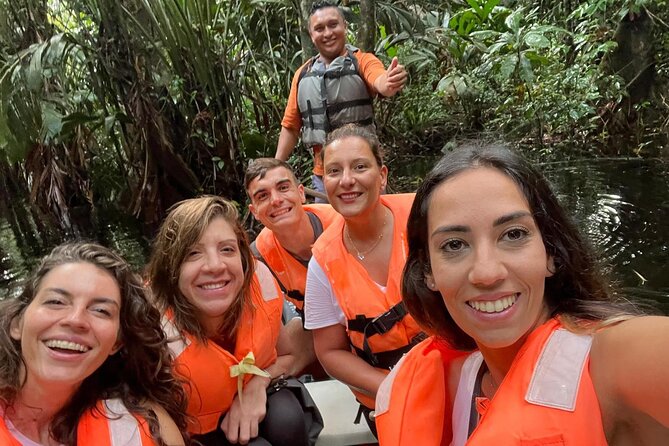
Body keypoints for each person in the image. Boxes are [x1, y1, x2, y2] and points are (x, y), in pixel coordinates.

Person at [375, 142, 669, 445]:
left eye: (513, 234)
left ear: (551, 254)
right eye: (454, 245)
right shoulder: (444, 382)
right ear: (429, 272)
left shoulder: (613, 363)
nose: (487, 273)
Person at [304, 124, 459, 436]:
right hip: (389, 393)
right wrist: (393, 387)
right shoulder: (322, 262)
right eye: (334, 171)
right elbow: (329, 351)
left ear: (382, 175)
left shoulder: (427, 218)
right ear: (325, 182)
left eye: (360, 166)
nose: (347, 180)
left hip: (459, 375)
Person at [147, 195, 315, 446]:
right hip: (191, 430)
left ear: (243, 259)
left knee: (287, 422)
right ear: (170, 268)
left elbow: (288, 355)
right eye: (193, 253)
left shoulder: (258, 285)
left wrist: (259, 382)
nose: (215, 266)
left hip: (260, 397)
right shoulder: (149, 329)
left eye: (227, 249)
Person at [0, 242, 187, 446]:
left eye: (101, 311)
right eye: (55, 301)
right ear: (17, 323)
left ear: (117, 343)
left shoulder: (142, 429)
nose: (75, 320)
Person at [275, 1, 407, 198]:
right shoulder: (302, 74)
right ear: (311, 35)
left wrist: (387, 83)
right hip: (325, 177)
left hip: (363, 171)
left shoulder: (363, 61)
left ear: (344, 26)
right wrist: (276, 166)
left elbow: (379, 80)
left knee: (370, 227)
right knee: (329, 227)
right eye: (319, 28)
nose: (327, 33)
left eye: (333, 24)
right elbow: (290, 127)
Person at [245, 158, 339, 376]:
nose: (276, 200)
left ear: (301, 193)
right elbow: (261, 324)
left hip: (369, 322)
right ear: (255, 211)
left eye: (283, 188)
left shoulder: (342, 223)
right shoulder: (259, 259)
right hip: (317, 327)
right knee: (269, 369)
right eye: (263, 196)